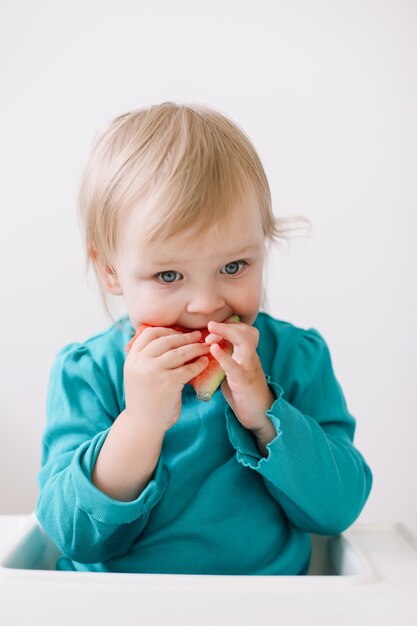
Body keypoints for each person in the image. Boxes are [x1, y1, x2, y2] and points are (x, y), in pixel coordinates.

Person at [36, 102, 372, 575]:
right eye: (169, 274)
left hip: (269, 608)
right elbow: (71, 535)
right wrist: (141, 423)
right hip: (116, 610)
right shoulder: (87, 373)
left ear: (263, 247)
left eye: (233, 267)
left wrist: (266, 416)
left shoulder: (298, 359)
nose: (205, 303)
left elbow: (337, 511)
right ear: (110, 271)